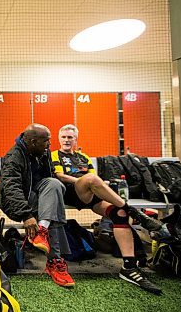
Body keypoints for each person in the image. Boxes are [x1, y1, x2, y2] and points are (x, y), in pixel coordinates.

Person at [51, 124, 162, 294]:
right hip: (71, 191)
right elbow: (60, 176)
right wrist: (87, 182)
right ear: (59, 139)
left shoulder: (83, 157)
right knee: (91, 179)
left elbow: (94, 177)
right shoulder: (54, 155)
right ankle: (134, 211)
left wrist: (95, 183)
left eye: (70, 137)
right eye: (64, 137)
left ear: (75, 139)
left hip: (90, 192)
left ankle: (129, 267)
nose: (67, 140)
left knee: (119, 213)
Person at [0, 123, 75, 287]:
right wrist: (26, 215)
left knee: (54, 185)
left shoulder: (43, 152)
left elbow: (51, 177)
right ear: (32, 141)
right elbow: (11, 188)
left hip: (40, 193)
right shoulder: (14, 157)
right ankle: (55, 262)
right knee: (52, 208)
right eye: (46, 141)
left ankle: (43, 230)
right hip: (16, 199)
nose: (49, 145)